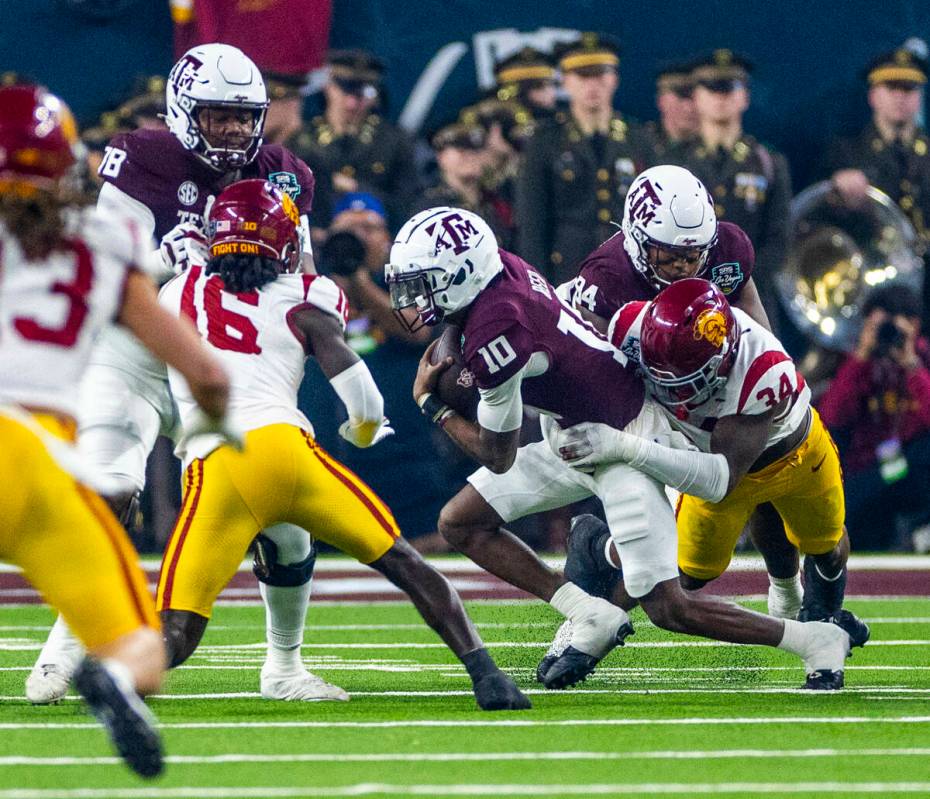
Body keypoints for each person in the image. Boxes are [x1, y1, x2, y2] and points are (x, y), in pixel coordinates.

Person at [385, 205, 867, 692]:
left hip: (628, 438)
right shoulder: (609, 310)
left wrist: (432, 404)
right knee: (459, 520)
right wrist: (452, 342)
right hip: (577, 432)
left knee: (669, 604)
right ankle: (587, 612)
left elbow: (498, 454)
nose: (412, 295)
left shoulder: (500, 334)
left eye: (424, 282)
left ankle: (810, 640)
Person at [25, 42, 343, 706]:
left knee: (287, 522)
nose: (231, 128)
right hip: (140, 354)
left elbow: (305, 272)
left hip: (231, 364)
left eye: (240, 115)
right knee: (110, 480)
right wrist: (165, 258)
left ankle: (283, 665)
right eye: (216, 115)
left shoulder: (286, 172)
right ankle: (62, 649)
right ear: (181, 110)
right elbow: (111, 268)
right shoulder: (143, 160)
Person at [156, 179, 529, 712]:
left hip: (216, 466)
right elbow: (362, 396)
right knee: (403, 562)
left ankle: (112, 667)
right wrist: (361, 432)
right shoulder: (306, 296)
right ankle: (487, 675)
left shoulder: (178, 292)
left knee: (178, 629)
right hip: (289, 454)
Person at [0, 83, 232, 776]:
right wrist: (215, 428)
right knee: (141, 646)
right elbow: (208, 376)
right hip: (42, 469)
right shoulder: (103, 241)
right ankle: (113, 681)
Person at [546, 278, 867, 670]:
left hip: (785, 459)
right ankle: (598, 552)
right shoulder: (633, 325)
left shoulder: (761, 370)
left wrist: (622, 445)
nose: (669, 388)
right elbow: (564, 321)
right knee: (684, 576)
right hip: (712, 461)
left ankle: (821, 620)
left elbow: (720, 480)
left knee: (826, 546)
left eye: (684, 380)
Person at [563, 165, 808, 616]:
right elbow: (596, 372)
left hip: (711, 382)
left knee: (762, 469)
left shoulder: (728, 249)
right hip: (641, 393)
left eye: (693, 255)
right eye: (670, 256)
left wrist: (759, 372)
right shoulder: (606, 279)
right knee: (671, 531)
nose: (684, 267)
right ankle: (599, 580)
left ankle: (788, 592)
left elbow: (751, 313)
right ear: (636, 240)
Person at [515, 32, 653, 285]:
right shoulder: (545, 141)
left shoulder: (638, 139)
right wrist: (539, 286)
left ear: (614, 79)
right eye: (582, 76)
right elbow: (532, 223)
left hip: (630, 270)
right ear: (565, 82)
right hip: (568, 272)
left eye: (600, 75)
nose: (592, 85)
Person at [676, 50, 792, 330]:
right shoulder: (673, 161)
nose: (720, 98)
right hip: (686, 302)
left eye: (729, 88)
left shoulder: (768, 162)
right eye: (711, 89)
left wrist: (736, 281)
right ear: (695, 98)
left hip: (752, 302)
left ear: (745, 97)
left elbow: (779, 240)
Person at [819, 284, 930, 550]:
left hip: (913, 469)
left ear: (914, 324)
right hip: (868, 470)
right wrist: (861, 356)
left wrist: (911, 365)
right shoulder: (857, 360)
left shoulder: (923, 356)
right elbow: (831, 418)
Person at [827, 48, 930, 324]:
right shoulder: (846, 153)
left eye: (908, 88)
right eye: (891, 87)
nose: (900, 96)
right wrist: (838, 194)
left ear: (920, 97)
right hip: (867, 292)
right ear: (873, 95)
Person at [287, 49, 417, 231]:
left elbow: (407, 202)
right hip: (319, 237)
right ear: (328, 86)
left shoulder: (394, 141)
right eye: (344, 91)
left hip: (377, 235)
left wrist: (357, 188)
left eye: (361, 95)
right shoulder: (302, 141)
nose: (352, 103)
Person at [645, 62, 698, 161]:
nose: (688, 108)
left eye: (695, 98)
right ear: (661, 100)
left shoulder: (716, 149)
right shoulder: (640, 143)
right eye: (680, 96)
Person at [492, 46, 559, 121]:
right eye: (539, 86)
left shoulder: (563, 118)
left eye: (553, 84)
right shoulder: (495, 120)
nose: (551, 93)